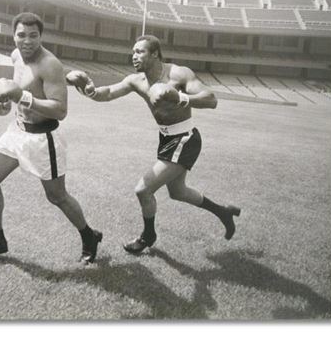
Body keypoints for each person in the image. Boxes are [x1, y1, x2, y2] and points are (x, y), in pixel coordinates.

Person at [67, 35, 240, 254]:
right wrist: (89, 89)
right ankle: (224, 212)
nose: (134, 56)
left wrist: (178, 96)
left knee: (143, 190)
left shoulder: (178, 73)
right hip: (167, 139)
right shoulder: (136, 80)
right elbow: (108, 93)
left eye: (140, 51)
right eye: (133, 52)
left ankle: (148, 236)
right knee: (178, 192)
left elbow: (211, 99)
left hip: (185, 139)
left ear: (155, 53)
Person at [0, 12, 102, 264]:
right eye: (21, 35)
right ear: (13, 35)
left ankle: (89, 235)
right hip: (16, 131)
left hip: (43, 139)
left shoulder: (50, 64)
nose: (26, 41)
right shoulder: (16, 55)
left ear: (41, 36)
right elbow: (16, 91)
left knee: (57, 196)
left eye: (33, 35)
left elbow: (60, 110)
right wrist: (5, 103)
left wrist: (22, 97)